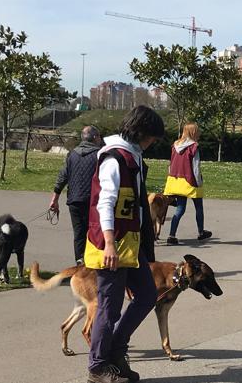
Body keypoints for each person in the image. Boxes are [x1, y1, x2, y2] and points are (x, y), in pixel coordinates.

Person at [84, 105, 163, 383]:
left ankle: (116, 351)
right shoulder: (114, 159)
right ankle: (98, 366)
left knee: (147, 295)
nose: (153, 143)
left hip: (131, 244)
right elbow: (104, 203)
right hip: (113, 245)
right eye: (152, 137)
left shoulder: (132, 157)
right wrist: (108, 244)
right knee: (109, 307)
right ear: (141, 131)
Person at [49, 125, 102, 264]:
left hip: (75, 200)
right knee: (94, 232)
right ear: (95, 138)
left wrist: (55, 199)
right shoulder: (100, 155)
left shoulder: (72, 154)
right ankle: (92, 263)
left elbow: (62, 177)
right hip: (94, 201)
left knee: (79, 234)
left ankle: (80, 262)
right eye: (99, 137)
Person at [163, 122, 212, 245]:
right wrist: (199, 182)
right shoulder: (194, 147)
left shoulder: (175, 145)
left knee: (180, 209)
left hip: (176, 180)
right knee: (198, 207)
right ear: (193, 132)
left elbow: (171, 164)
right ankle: (201, 233)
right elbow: (195, 167)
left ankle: (171, 235)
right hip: (190, 180)